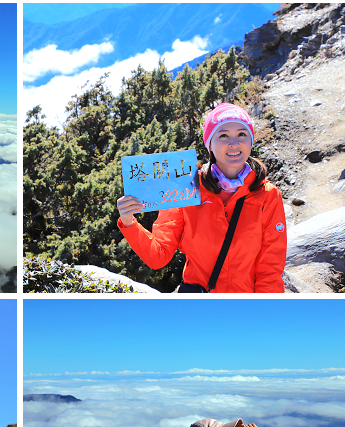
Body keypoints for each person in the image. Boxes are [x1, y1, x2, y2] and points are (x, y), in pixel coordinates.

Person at [116, 103, 287, 292]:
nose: (234, 143)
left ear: (251, 141)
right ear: (209, 145)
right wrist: (129, 222)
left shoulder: (268, 195)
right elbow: (158, 256)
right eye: (223, 135)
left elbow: (270, 269)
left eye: (242, 134)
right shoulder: (186, 188)